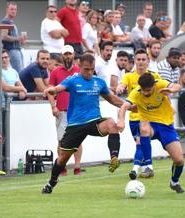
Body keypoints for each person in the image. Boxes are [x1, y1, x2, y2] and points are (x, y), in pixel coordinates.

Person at [41, 54, 125, 194]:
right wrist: (52, 90)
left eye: (92, 69)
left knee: (111, 123)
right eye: (86, 69)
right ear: (80, 67)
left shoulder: (99, 82)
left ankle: (114, 158)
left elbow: (112, 99)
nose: (89, 72)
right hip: (76, 124)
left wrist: (128, 105)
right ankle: (52, 182)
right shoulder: (73, 80)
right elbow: (59, 87)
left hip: (94, 121)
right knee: (63, 158)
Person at [118, 73, 185, 193]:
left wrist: (170, 90)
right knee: (143, 128)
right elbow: (123, 107)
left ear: (154, 85)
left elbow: (178, 86)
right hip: (150, 124)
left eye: (148, 90)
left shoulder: (160, 84)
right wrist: (121, 121)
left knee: (179, 160)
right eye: (143, 90)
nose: (145, 93)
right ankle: (148, 166)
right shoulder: (137, 93)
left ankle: (174, 182)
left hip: (166, 126)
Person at [116, 49, 161, 180]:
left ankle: (135, 169)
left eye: (143, 59)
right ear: (134, 61)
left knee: (140, 142)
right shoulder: (129, 76)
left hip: (149, 117)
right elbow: (122, 84)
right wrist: (120, 88)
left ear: (147, 61)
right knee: (141, 143)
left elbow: (161, 91)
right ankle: (144, 168)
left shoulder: (154, 76)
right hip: (134, 117)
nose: (141, 62)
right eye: (138, 60)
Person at [48, 45, 82, 176]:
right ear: (62, 56)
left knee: (78, 140)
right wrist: (53, 106)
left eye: (69, 54)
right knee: (61, 140)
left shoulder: (80, 71)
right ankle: (62, 166)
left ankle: (77, 166)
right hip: (61, 110)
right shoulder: (55, 72)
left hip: (77, 111)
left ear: (73, 55)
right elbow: (50, 91)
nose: (67, 56)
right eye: (65, 54)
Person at [1, 2, 26, 73]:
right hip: (12, 50)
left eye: (15, 9)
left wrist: (20, 41)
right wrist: (18, 38)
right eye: (11, 9)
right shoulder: (5, 21)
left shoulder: (10, 22)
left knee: (20, 72)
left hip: (16, 50)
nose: (14, 11)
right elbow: (4, 37)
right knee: (19, 73)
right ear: (7, 10)